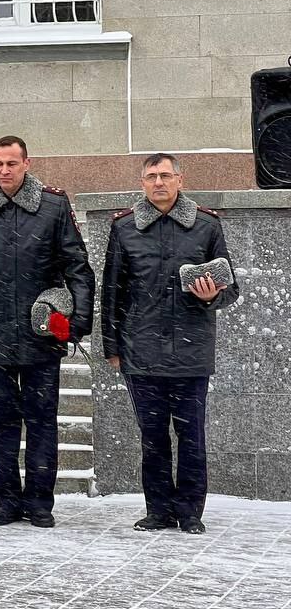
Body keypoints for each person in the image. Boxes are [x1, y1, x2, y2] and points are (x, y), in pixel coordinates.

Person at [0, 136, 94, 528]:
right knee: (0, 425)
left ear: (27, 163)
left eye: (12, 163)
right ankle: (7, 502)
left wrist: (76, 323)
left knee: (42, 422)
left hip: (41, 336)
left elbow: (77, 268)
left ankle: (40, 503)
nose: (4, 171)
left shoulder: (52, 206)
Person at [101, 153, 239, 534]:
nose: (158, 182)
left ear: (180, 179)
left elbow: (231, 289)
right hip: (140, 351)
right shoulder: (125, 228)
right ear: (142, 182)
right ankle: (158, 509)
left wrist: (212, 295)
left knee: (192, 435)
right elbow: (112, 291)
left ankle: (191, 511)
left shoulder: (207, 226)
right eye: (151, 176)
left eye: (165, 175)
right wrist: (111, 347)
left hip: (191, 350)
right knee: (152, 436)